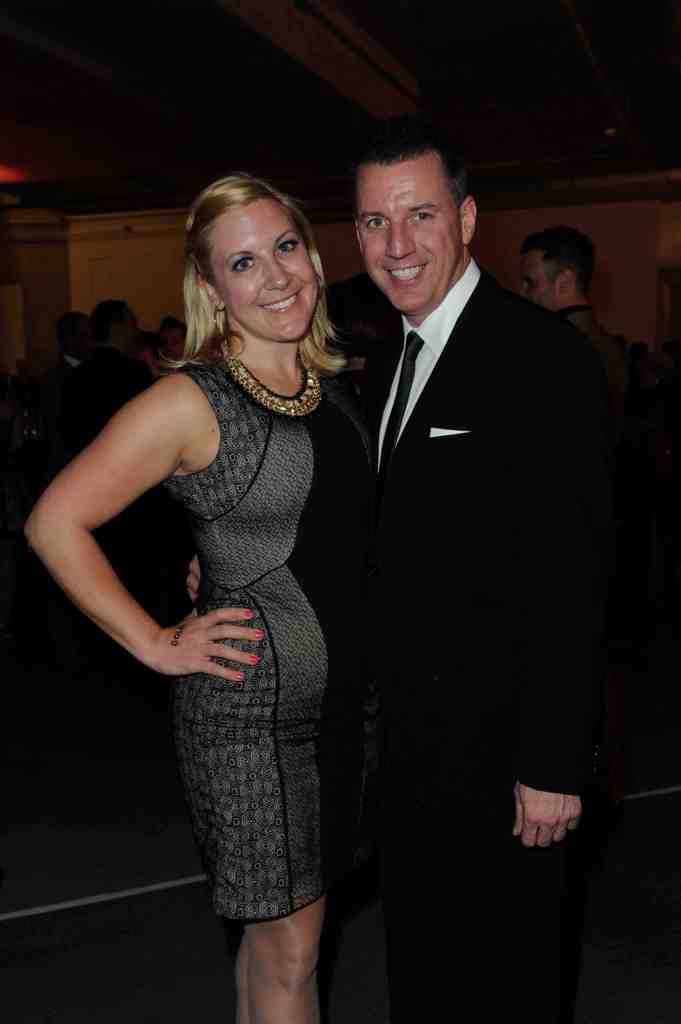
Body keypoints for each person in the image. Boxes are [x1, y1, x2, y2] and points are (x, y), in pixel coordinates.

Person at [25, 172, 375, 1024]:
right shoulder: (190, 400)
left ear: (313, 255)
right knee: (292, 950)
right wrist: (153, 640)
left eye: (285, 247)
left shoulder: (337, 384)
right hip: (249, 715)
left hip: (349, 707)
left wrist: (217, 555)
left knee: (275, 944)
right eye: (243, 263)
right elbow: (54, 521)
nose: (276, 276)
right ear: (212, 288)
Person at [353, 118, 613, 1023]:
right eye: (375, 221)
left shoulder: (541, 358)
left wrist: (553, 762)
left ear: (465, 219)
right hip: (407, 755)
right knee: (426, 977)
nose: (396, 244)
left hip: (504, 764)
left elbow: (574, 573)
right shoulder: (383, 358)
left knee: (509, 986)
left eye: (419, 215)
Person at [520, 225, 627, 437]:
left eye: (530, 283)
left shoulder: (559, 347)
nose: (522, 293)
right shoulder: (606, 344)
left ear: (565, 282)